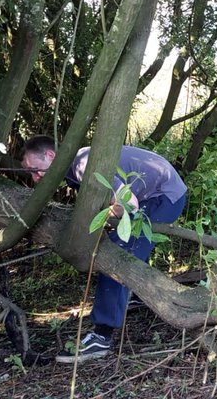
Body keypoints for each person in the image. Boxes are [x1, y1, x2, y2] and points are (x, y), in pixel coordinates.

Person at [20, 136, 187, 363]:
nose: (35, 177)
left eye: (35, 169)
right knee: (127, 244)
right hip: (159, 192)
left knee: (117, 254)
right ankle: (137, 294)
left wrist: (102, 219)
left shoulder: (83, 164)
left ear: (50, 156)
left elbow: (129, 204)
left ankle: (102, 335)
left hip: (164, 196)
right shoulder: (74, 165)